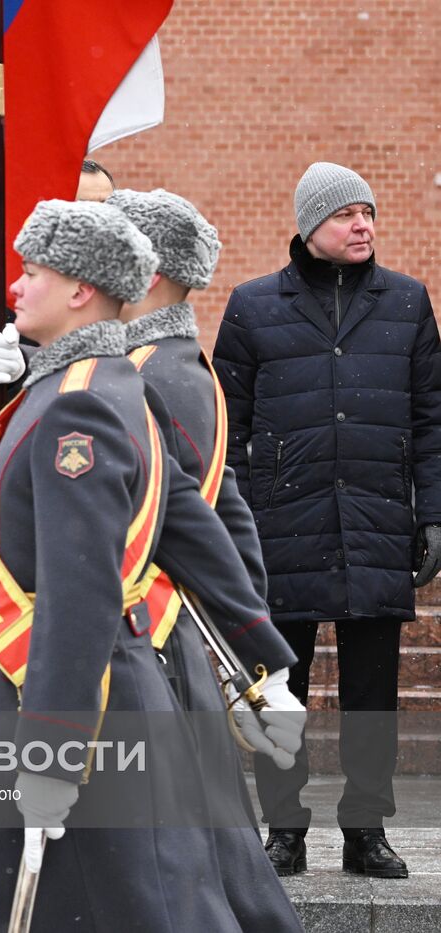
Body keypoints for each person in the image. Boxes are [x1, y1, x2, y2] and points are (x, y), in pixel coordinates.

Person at [0, 200, 300, 931]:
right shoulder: (102, 384)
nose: (15, 287)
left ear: (81, 292)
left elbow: (83, 585)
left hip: (82, 698)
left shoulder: (79, 405)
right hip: (50, 682)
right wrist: (262, 655)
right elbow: (188, 519)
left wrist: (55, 748)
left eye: (33, 272)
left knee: (149, 900)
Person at [213, 162, 441, 879]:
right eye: (347, 214)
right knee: (280, 689)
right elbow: (225, 423)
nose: (363, 225)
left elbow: (432, 420)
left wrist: (432, 514)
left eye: (369, 213)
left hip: (376, 522)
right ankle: (284, 829)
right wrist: (239, 519)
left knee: (373, 692)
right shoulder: (253, 308)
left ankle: (366, 829)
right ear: (310, 225)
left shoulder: (407, 303)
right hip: (282, 528)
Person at [0, 158, 117, 561]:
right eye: (79, 206)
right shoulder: (10, 293)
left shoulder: (135, 295)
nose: (93, 218)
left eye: (105, 206)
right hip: (26, 501)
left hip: (111, 506)